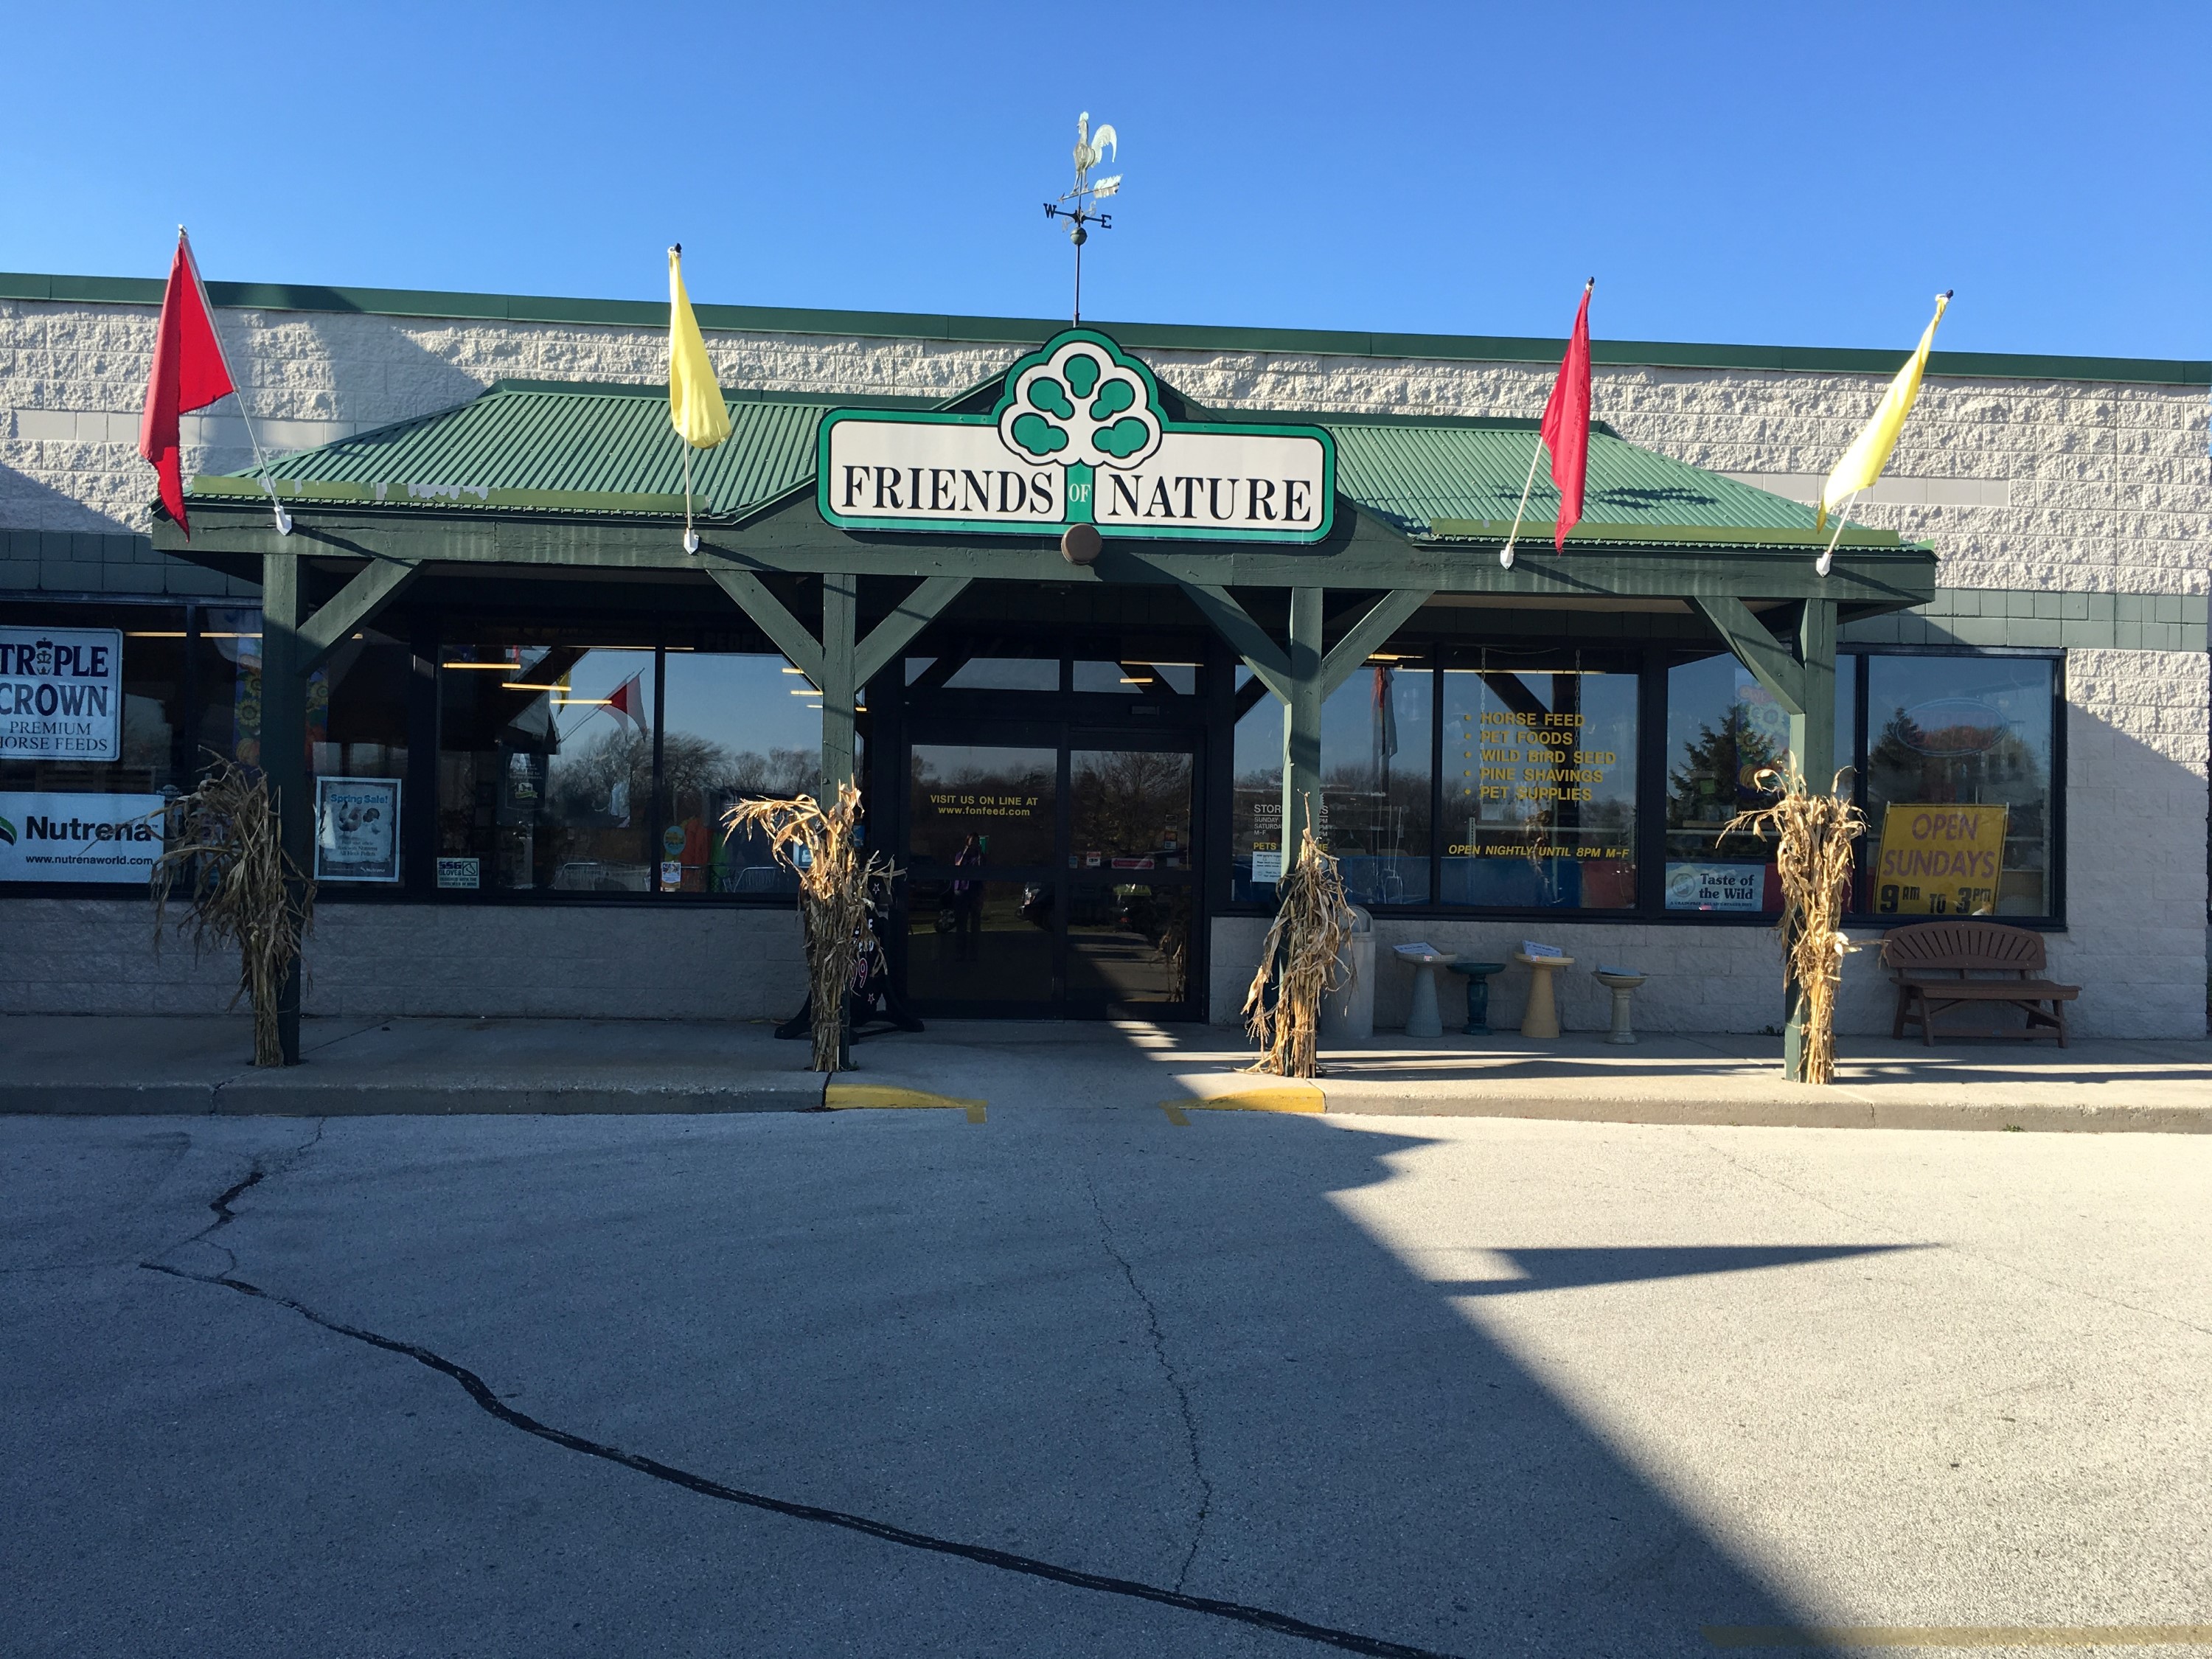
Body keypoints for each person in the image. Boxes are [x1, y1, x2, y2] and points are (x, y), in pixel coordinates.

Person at [950, 833, 984, 960]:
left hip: (974, 891)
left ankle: (974, 951)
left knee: (975, 923)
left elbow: (982, 869)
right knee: (961, 922)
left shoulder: (979, 857)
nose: (973, 845)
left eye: (976, 842)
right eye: (971, 842)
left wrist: (979, 853)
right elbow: (958, 866)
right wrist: (965, 852)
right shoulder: (960, 855)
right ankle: (960, 951)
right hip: (962, 890)